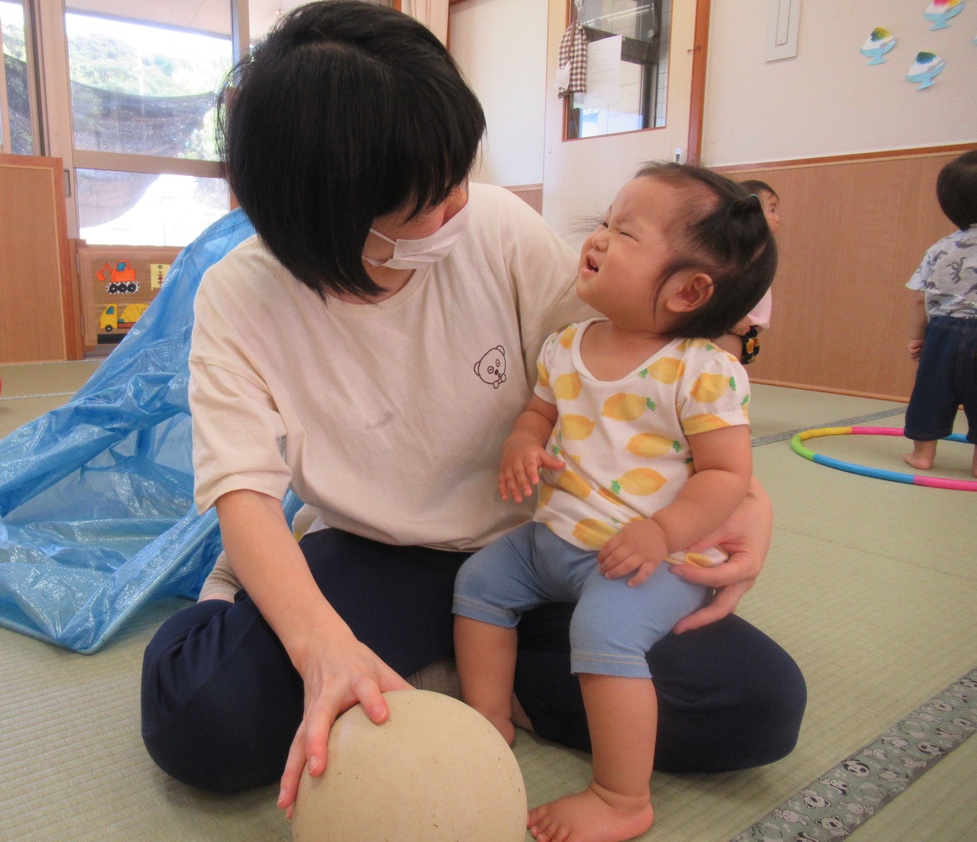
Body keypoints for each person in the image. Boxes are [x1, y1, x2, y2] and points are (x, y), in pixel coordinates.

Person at [138, 0, 807, 821]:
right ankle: (300, 626)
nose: (461, 202)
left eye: (461, 172)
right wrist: (322, 647)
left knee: (760, 703)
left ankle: (456, 673)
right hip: (380, 552)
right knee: (203, 720)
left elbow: (634, 370)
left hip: (545, 545)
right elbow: (241, 486)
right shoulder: (241, 295)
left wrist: (749, 500)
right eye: (430, 200)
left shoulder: (494, 226)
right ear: (326, 221)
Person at [453, 163, 776, 842]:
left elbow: (725, 474)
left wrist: (663, 533)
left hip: (644, 559)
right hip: (554, 539)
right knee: (479, 582)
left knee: (602, 635)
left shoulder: (701, 370)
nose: (597, 239)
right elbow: (539, 416)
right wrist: (522, 442)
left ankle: (621, 797)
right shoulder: (566, 344)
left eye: (624, 232)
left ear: (689, 291)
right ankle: (487, 717)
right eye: (604, 222)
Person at [902, 149, 977, 476]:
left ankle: (922, 455)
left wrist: (919, 337)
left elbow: (922, 299)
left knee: (931, 392)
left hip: (943, 332)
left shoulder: (940, 248)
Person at [719, 179, 780, 364]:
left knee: (734, 370)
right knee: (724, 368)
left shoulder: (762, 250)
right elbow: (726, 285)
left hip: (745, 327)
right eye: (771, 210)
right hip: (729, 326)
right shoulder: (740, 251)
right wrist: (735, 316)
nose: (778, 217)